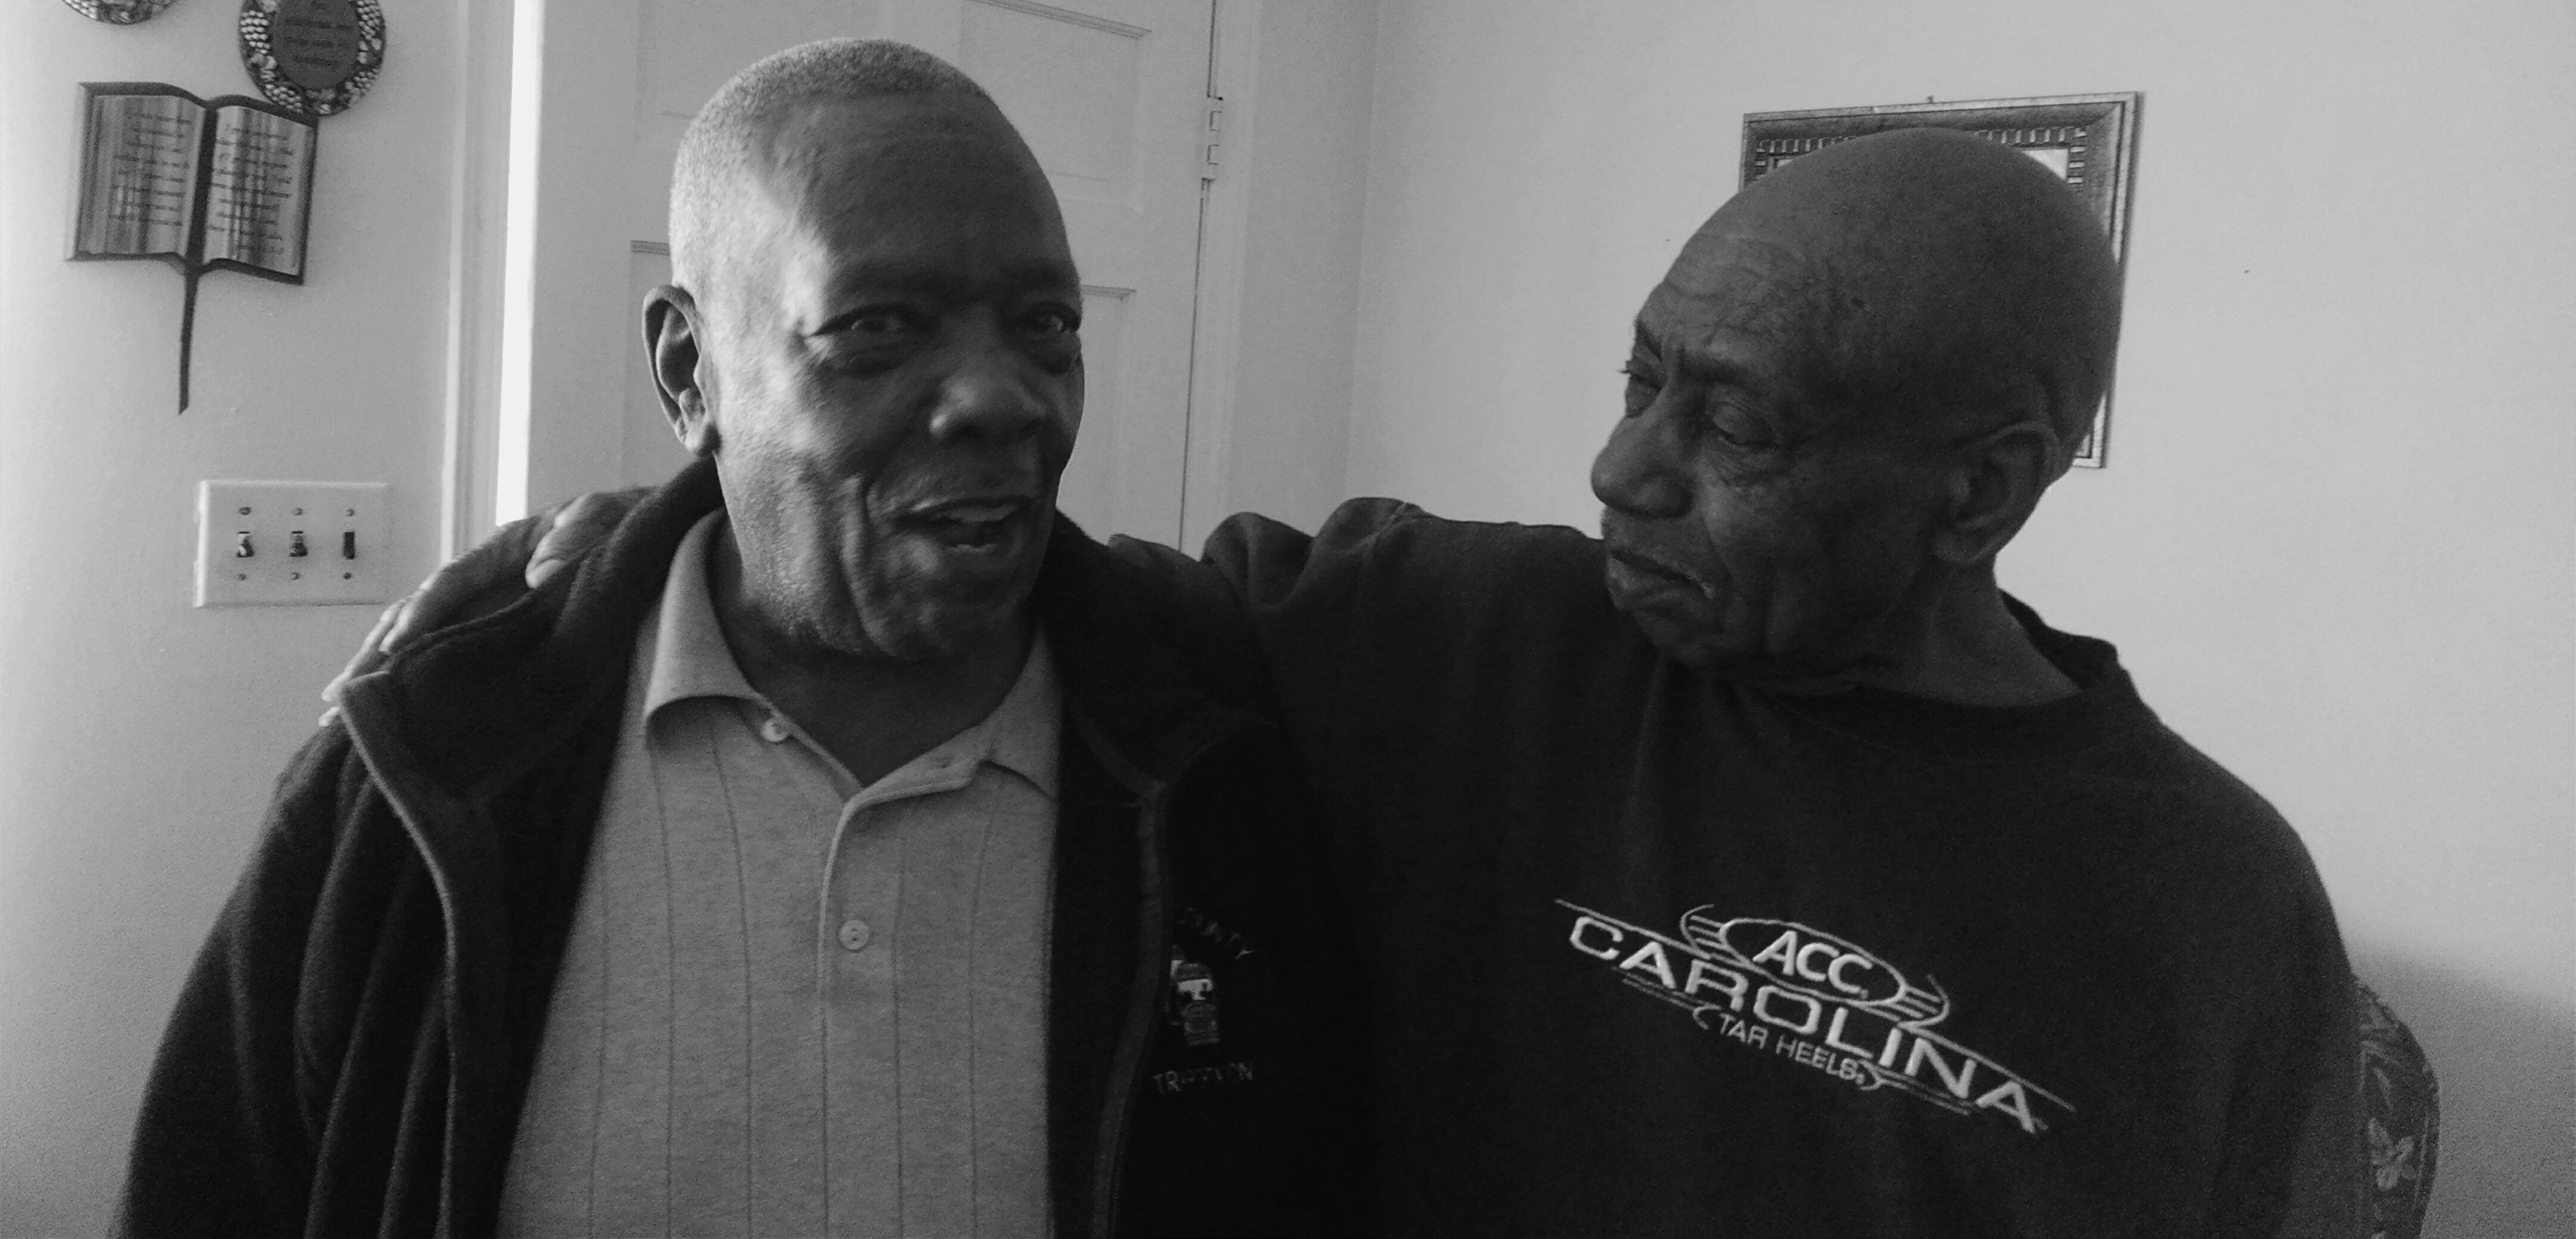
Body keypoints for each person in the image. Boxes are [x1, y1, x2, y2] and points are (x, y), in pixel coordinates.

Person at [344, 129, 2362, 1234]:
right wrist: (652, 539)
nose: (1622, 468)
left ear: (1977, 489)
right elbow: (1002, 570)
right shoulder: (1469, 645)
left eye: (1733, 426)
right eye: (1641, 376)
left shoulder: (2208, 906)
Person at [117, 40, 1366, 1238]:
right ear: (689, 371)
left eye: (1045, 323)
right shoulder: (427, 766)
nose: (1002, 396)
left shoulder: (1223, 746)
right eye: (878, 325)